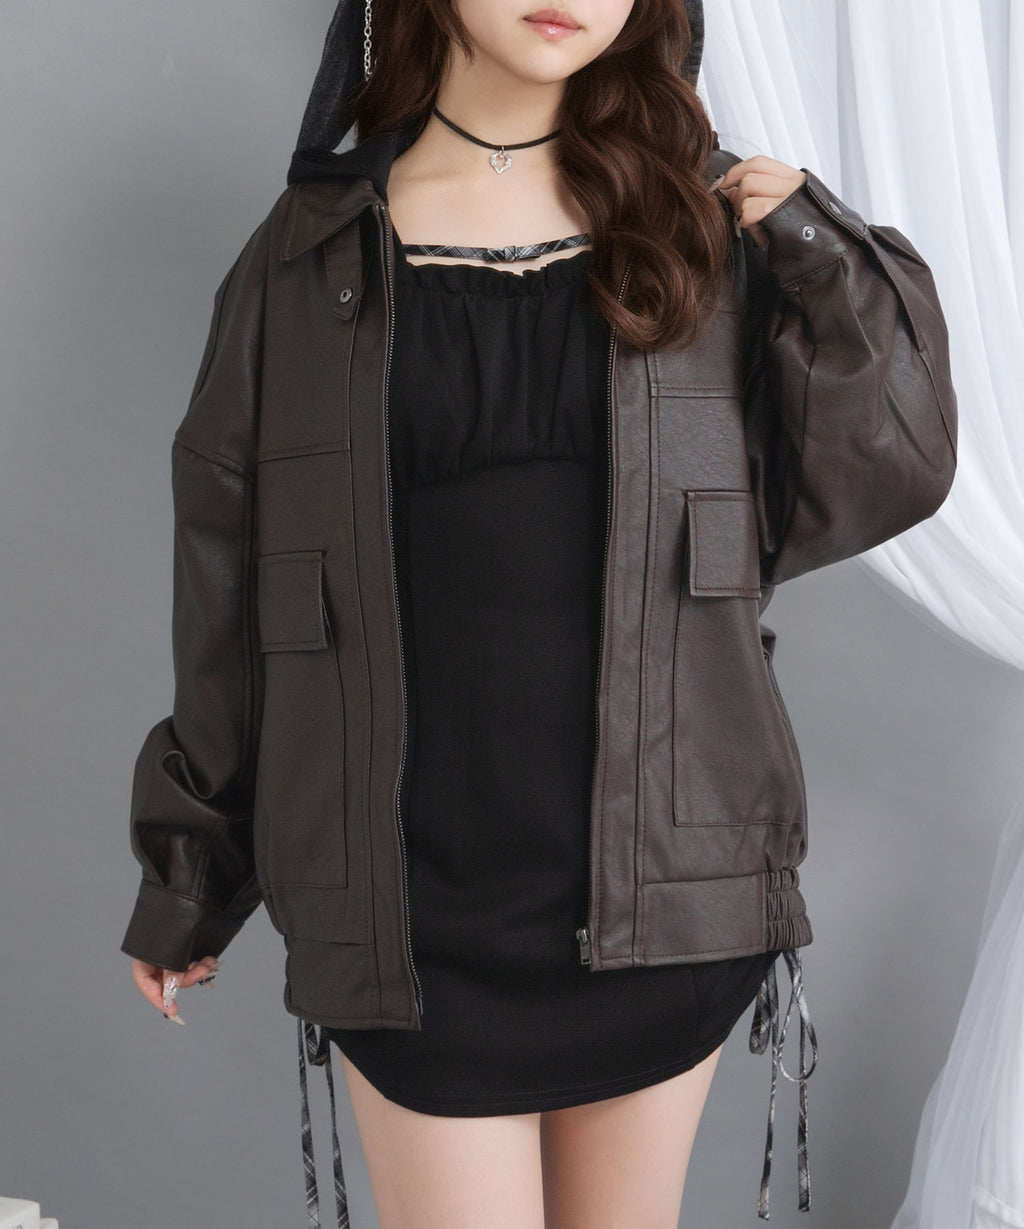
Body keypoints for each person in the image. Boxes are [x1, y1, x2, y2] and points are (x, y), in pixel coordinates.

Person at [119, 2, 958, 1227]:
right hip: (409, 911)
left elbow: (889, 467)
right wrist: (190, 871)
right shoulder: (309, 253)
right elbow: (233, 581)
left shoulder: (704, 228)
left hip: (662, 887)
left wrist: (820, 245)